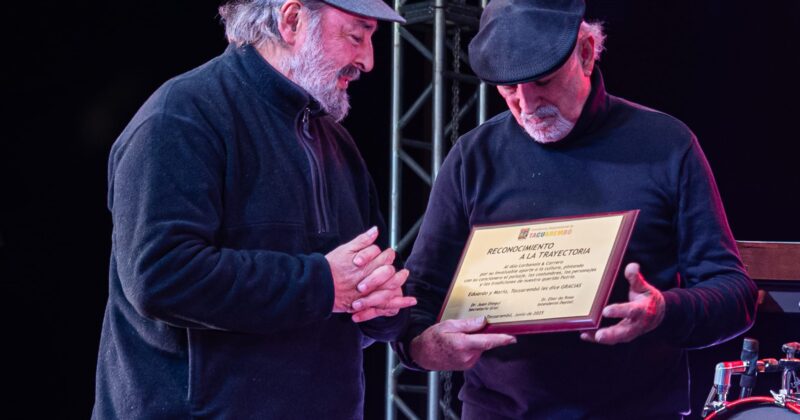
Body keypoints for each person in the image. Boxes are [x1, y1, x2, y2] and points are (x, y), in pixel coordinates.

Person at [393, 0, 758, 418]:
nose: (527, 105)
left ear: (585, 53)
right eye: (509, 88)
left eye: (542, 81)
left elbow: (735, 292)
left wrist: (663, 311)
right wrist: (420, 346)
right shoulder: (473, 157)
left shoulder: (665, 145)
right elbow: (421, 294)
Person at [92, 1, 416, 418]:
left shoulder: (337, 143)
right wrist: (322, 284)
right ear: (292, 20)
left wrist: (384, 307)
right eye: (356, 36)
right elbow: (160, 275)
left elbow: (369, 276)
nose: (368, 61)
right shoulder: (181, 115)